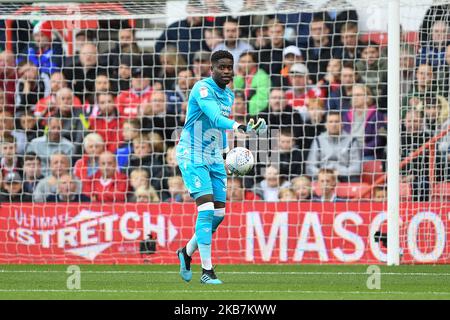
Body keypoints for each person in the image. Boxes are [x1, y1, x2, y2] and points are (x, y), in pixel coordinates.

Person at [175, 50, 267, 284]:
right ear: (212, 68)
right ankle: (207, 271)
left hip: (214, 155)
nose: (227, 71)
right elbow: (215, 118)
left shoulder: (228, 96)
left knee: (218, 215)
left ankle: (186, 252)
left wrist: (227, 155)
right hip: (192, 153)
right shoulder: (202, 89)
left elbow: (219, 130)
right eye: (222, 67)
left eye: (230, 67)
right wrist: (240, 126)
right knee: (205, 210)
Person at [306, 111, 362, 182]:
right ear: (325, 125)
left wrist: (339, 172)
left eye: (336, 121)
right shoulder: (318, 140)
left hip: (344, 176)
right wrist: (322, 173)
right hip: (322, 177)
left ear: (342, 124)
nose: (334, 125)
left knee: (355, 181)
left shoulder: (352, 141)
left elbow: (356, 168)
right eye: (331, 122)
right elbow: (310, 167)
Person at [342, 84, 386, 160]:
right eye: (353, 95)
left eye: (358, 95)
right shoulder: (346, 115)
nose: (355, 98)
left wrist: (360, 151)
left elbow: (379, 140)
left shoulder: (376, 115)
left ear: (367, 98)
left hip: (367, 154)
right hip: (348, 152)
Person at [233, 51, 270, 116]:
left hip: (256, 114)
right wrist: (239, 78)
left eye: (248, 62)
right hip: (241, 112)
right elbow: (235, 91)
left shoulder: (262, 77)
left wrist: (247, 110)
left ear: (255, 63)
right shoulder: (241, 76)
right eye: (242, 62)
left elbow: (262, 100)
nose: (245, 65)